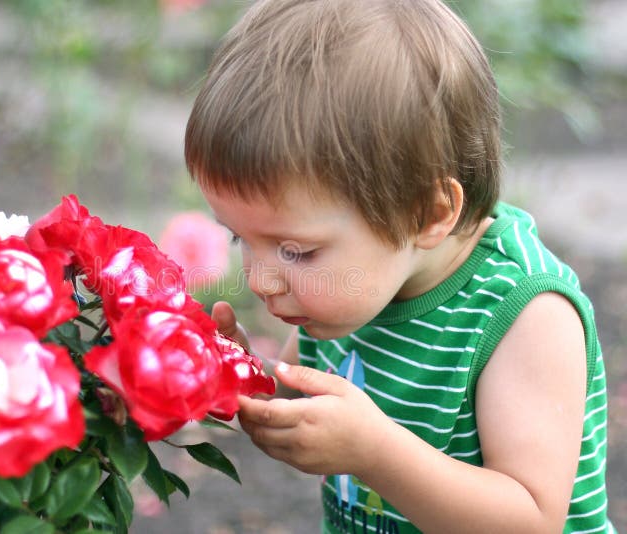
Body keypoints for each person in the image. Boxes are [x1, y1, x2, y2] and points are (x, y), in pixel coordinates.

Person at [183, 0, 614, 532]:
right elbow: (306, 397)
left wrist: (376, 454)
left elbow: (529, 521)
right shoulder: (346, 295)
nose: (259, 279)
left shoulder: (524, 315)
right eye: (238, 237)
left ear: (427, 214)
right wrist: (249, 378)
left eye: (296, 251)